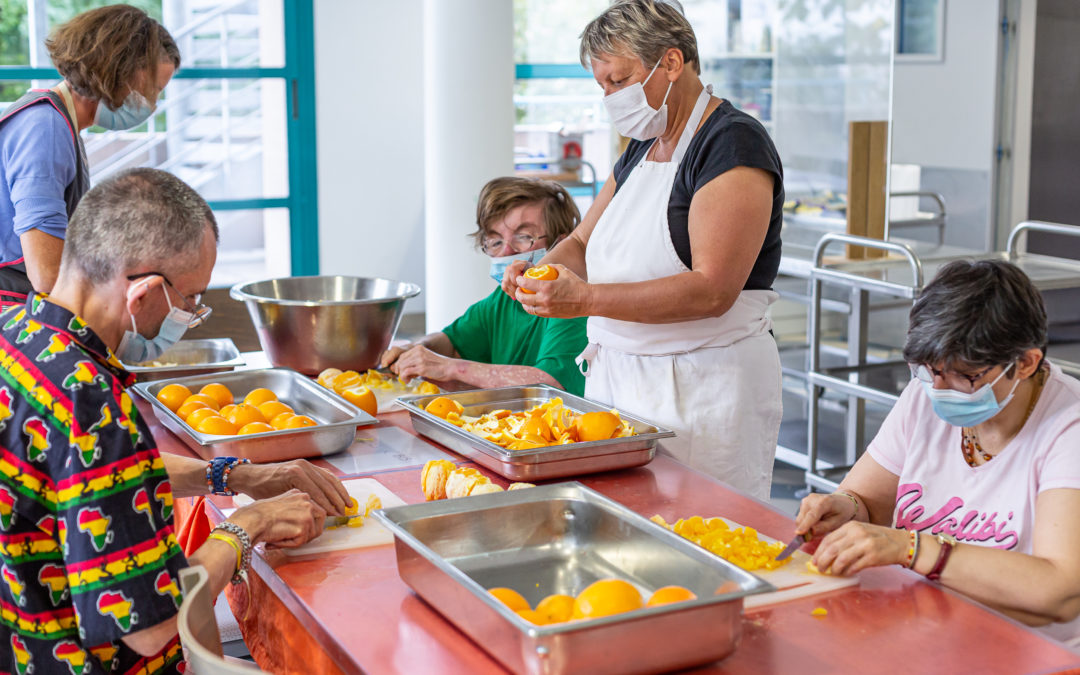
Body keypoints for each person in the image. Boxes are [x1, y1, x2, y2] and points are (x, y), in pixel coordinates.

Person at [0, 168, 350, 673]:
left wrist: (235, 474)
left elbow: (96, 474)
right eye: (191, 300)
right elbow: (152, 625)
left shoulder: (19, 333)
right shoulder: (89, 399)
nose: (191, 313)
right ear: (141, 294)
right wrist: (249, 524)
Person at [501, 0, 784, 499]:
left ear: (671, 63)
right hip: (620, 385)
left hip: (702, 388)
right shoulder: (641, 144)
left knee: (703, 533)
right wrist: (540, 272)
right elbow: (582, 241)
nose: (610, 97)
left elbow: (711, 290)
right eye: (602, 85)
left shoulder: (732, 145)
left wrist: (585, 301)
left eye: (619, 80)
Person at [794, 260, 1080, 646]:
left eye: (967, 376)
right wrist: (845, 506)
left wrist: (912, 548)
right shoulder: (927, 391)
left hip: (1023, 647)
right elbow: (867, 499)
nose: (939, 389)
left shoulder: (1067, 427)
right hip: (920, 623)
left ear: (1026, 363)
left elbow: (1059, 593)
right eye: (928, 370)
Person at [0, 5, 179, 302]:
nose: (152, 104)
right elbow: (46, 274)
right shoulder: (44, 127)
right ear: (117, 73)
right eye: (152, 90)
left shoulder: (62, 123)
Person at [382, 177, 588, 395]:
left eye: (524, 236)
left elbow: (550, 385)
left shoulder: (570, 303)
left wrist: (451, 368)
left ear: (563, 243)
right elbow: (453, 343)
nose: (507, 252)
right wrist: (415, 349)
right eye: (496, 241)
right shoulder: (503, 300)